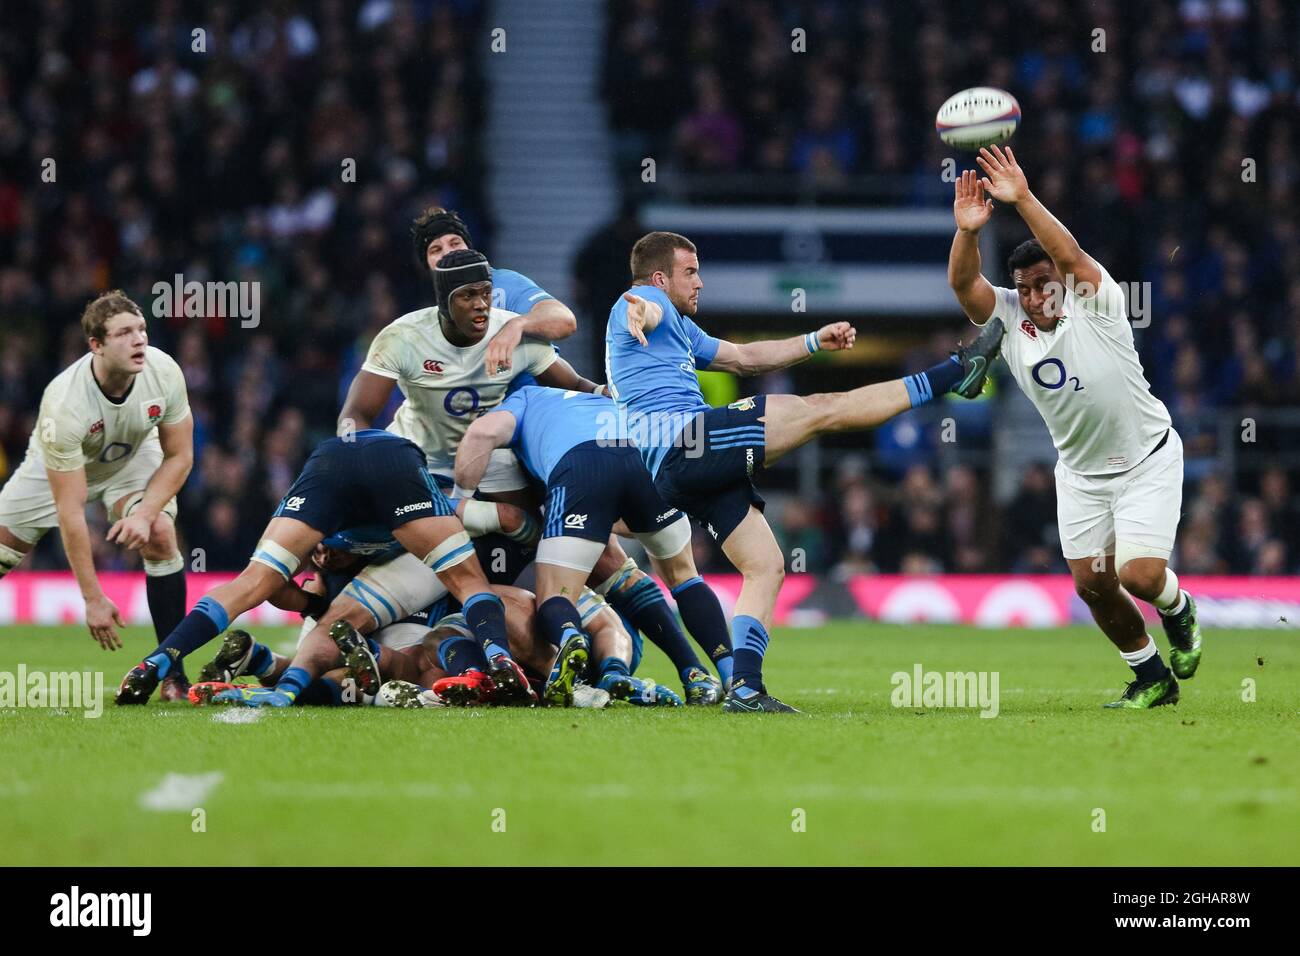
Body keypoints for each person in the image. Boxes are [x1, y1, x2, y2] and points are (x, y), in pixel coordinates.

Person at [607, 232, 1003, 712]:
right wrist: (638, 311)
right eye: (690, 272)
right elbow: (640, 308)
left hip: (681, 469)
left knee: (766, 566)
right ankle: (951, 375)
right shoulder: (647, 303)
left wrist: (813, 341)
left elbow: (745, 357)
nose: (700, 282)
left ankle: (746, 689)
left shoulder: (680, 329)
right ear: (658, 278)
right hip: (688, 443)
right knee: (822, 410)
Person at [947, 147, 1201, 709]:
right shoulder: (1010, 318)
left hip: (1147, 458)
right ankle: (1152, 678)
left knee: (1137, 575)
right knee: (1092, 585)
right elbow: (966, 288)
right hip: (1082, 475)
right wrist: (967, 232)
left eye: (1044, 283)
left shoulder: (1098, 301)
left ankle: (1179, 609)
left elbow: (1072, 254)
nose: (1035, 296)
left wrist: (1024, 198)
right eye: (1025, 286)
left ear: (1060, 281)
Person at [114, 428, 531, 706]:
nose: (325, 556)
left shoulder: (330, 539)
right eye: (321, 554)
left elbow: (508, 519)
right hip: (376, 464)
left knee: (261, 588)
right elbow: (280, 592)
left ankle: (161, 661)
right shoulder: (350, 560)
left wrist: (533, 540)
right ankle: (498, 662)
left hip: (341, 457)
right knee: (443, 605)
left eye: (329, 553)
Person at [454, 384, 724, 705]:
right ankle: (713, 673)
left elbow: (482, 436)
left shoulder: (520, 402)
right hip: (645, 458)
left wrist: (460, 498)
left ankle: (573, 653)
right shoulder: (588, 402)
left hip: (578, 468)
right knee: (680, 576)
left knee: (548, 595)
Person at [0, 290, 194, 700]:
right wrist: (92, 599)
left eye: (141, 329)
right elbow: (70, 510)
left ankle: (173, 672)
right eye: (124, 333)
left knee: (160, 532)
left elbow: (180, 457)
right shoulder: (65, 403)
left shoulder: (164, 372)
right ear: (97, 345)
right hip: (58, 467)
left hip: (132, 457)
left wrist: (143, 514)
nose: (139, 339)